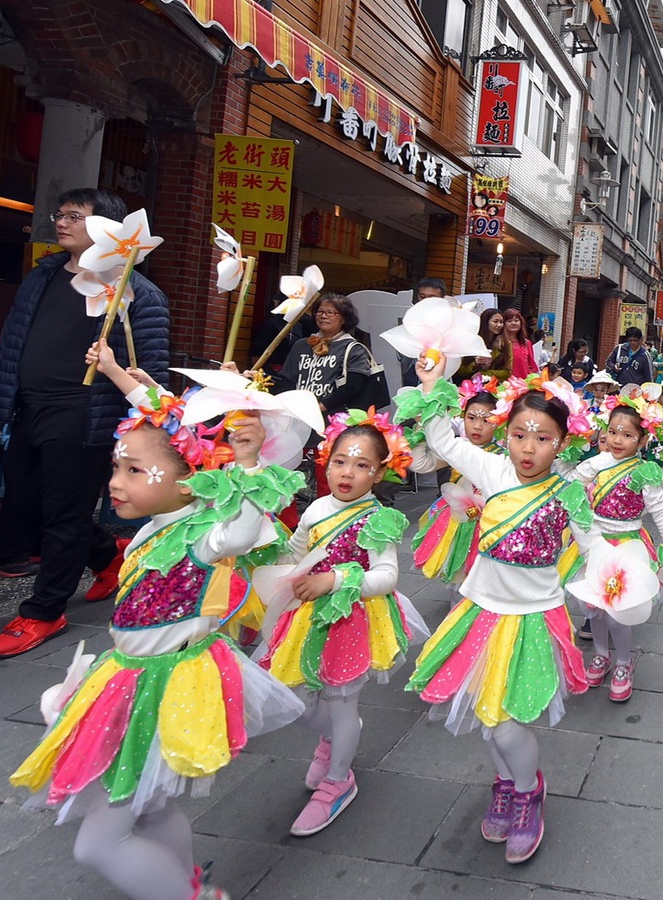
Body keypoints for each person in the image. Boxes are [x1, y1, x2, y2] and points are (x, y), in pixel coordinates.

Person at [8, 392, 305, 900]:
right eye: (116, 466)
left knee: (96, 846)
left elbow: (242, 531)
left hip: (162, 691)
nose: (115, 482)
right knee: (155, 806)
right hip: (126, 678)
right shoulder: (149, 530)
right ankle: (189, 880)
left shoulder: (205, 533)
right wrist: (117, 375)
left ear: (189, 474)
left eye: (133, 469)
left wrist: (249, 463)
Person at [397, 364, 602, 865]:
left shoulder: (568, 491)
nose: (528, 448)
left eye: (542, 438)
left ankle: (530, 792)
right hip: (480, 612)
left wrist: (625, 579)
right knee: (488, 720)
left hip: (535, 617)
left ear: (564, 442)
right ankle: (506, 784)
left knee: (507, 723)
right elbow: (442, 439)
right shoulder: (491, 470)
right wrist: (431, 377)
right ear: (505, 434)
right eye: (518, 435)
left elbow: (594, 549)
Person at [0, 188, 171, 660]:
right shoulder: (42, 276)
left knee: (63, 514)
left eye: (75, 216)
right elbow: (12, 345)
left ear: (109, 227)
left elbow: (151, 374)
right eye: (59, 214)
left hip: (84, 414)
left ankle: (44, 612)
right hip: (30, 406)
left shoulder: (136, 292)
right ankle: (108, 558)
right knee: (29, 502)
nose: (61, 222)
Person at [258, 410, 429, 837]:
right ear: (325, 460)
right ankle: (337, 736)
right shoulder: (316, 507)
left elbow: (387, 577)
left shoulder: (378, 518)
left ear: (379, 473)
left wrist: (335, 579)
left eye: (361, 464)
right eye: (340, 461)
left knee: (340, 702)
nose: (347, 472)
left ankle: (339, 780)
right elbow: (295, 553)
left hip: (353, 619)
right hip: (307, 618)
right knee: (299, 699)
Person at [566, 399, 663, 702]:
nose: (618, 440)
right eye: (613, 432)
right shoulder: (595, 463)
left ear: (642, 439)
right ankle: (600, 655)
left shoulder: (645, 471)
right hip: (594, 542)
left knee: (619, 611)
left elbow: (659, 511)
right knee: (593, 607)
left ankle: (623, 663)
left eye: (627, 435)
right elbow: (568, 485)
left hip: (628, 545)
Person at [413, 376, 504, 584]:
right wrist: (420, 430)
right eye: (471, 418)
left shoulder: (503, 457)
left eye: (486, 420)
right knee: (456, 576)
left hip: (488, 524)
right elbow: (420, 464)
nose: (477, 426)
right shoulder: (457, 447)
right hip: (456, 520)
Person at [273, 294, 373, 415]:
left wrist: (319, 408)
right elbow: (287, 380)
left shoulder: (353, 349)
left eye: (330, 312)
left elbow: (353, 387)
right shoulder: (301, 345)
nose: (323, 316)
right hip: (298, 414)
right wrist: (260, 380)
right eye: (320, 312)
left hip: (333, 418)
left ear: (344, 319)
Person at [398, 277, 447, 389]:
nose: (425, 301)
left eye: (432, 298)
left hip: (440, 378)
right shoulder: (407, 318)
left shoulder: (449, 321)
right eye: (422, 296)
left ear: (442, 299)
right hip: (410, 376)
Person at [504, 309, 537, 379]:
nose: (513, 323)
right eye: (509, 321)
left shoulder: (526, 343)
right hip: (503, 385)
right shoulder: (500, 343)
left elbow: (532, 366)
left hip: (523, 385)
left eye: (516, 320)